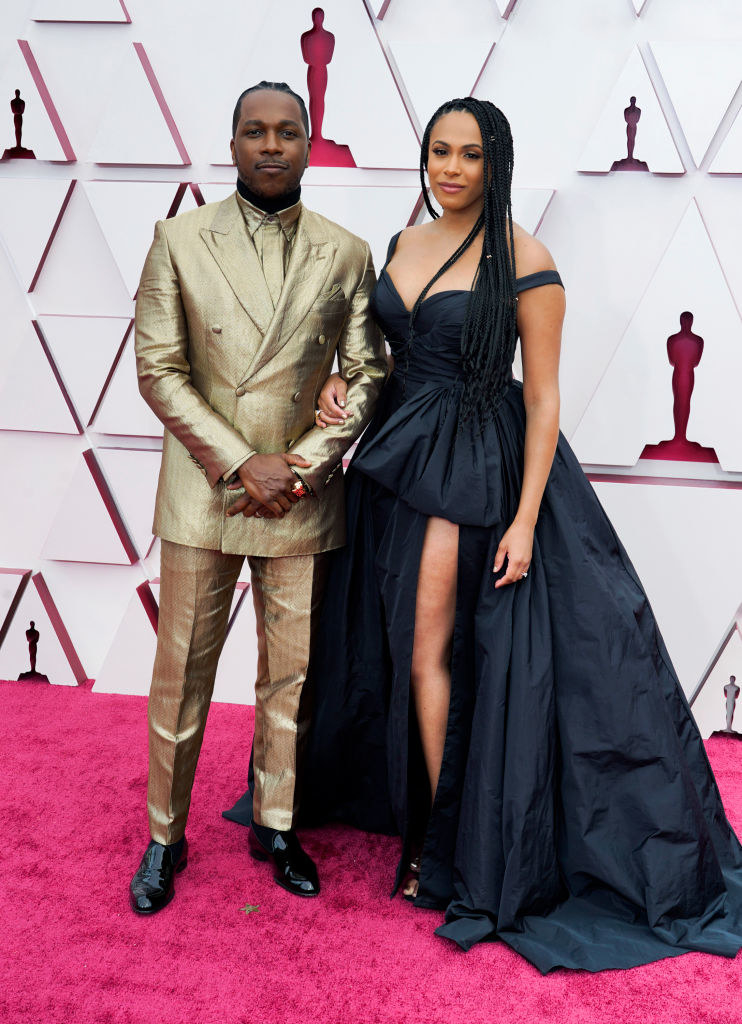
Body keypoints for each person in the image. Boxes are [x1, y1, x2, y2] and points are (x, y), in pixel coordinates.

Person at [295, 97, 742, 972]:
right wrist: (342, 389)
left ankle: (441, 848)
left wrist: (529, 516)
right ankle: (430, 823)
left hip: (476, 469)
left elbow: (541, 398)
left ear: (495, 163)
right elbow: (391, 356)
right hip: (397, 460)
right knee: (402, 648)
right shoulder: (402, 244)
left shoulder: (527, 258)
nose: (450, 169)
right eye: (438, 151)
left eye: (468, 155)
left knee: (435, 650)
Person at [129, 80, 387, 915]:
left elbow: (369, 368)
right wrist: (245, 463)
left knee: (293, 676)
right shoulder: (178, 240)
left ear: (310, 143)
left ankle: (276, 823)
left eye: (287, 131)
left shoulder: (346, 251)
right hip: (208, 489)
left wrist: (303, 465)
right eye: (254, 131)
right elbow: (159, 371)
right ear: (231, 143)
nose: (271, 145)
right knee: (182, 673)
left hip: (302, 495)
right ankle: (164, 835)